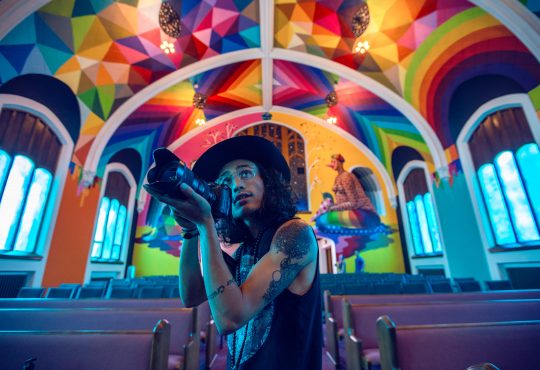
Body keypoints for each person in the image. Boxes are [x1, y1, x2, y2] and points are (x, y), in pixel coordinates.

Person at [144, 136, 321, 370]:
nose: (236, 184)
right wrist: (191, 231)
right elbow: (191, 295)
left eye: (245, 173)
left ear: (267, 181)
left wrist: (206, 223)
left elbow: (230, 318)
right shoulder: (247, 247)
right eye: (225, 182)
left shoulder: (295, 234)